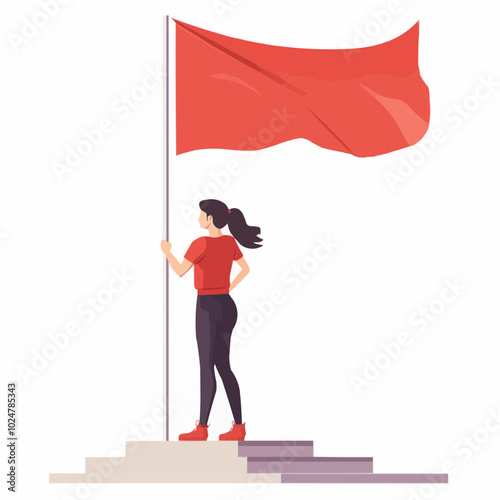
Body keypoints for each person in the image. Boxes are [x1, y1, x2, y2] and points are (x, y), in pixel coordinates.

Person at [161, 199, 262, 441]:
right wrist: (227, 287)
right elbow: (245, 269)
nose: (198, 218)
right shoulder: (230, 242)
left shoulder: (200, 243)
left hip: (206, 306)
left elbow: (179, 271)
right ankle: (238, 427)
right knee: (223, 366)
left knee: (207, 367)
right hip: (227, 305)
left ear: (209, 219)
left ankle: (202, 428)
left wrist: (167, 252)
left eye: (201, 215)